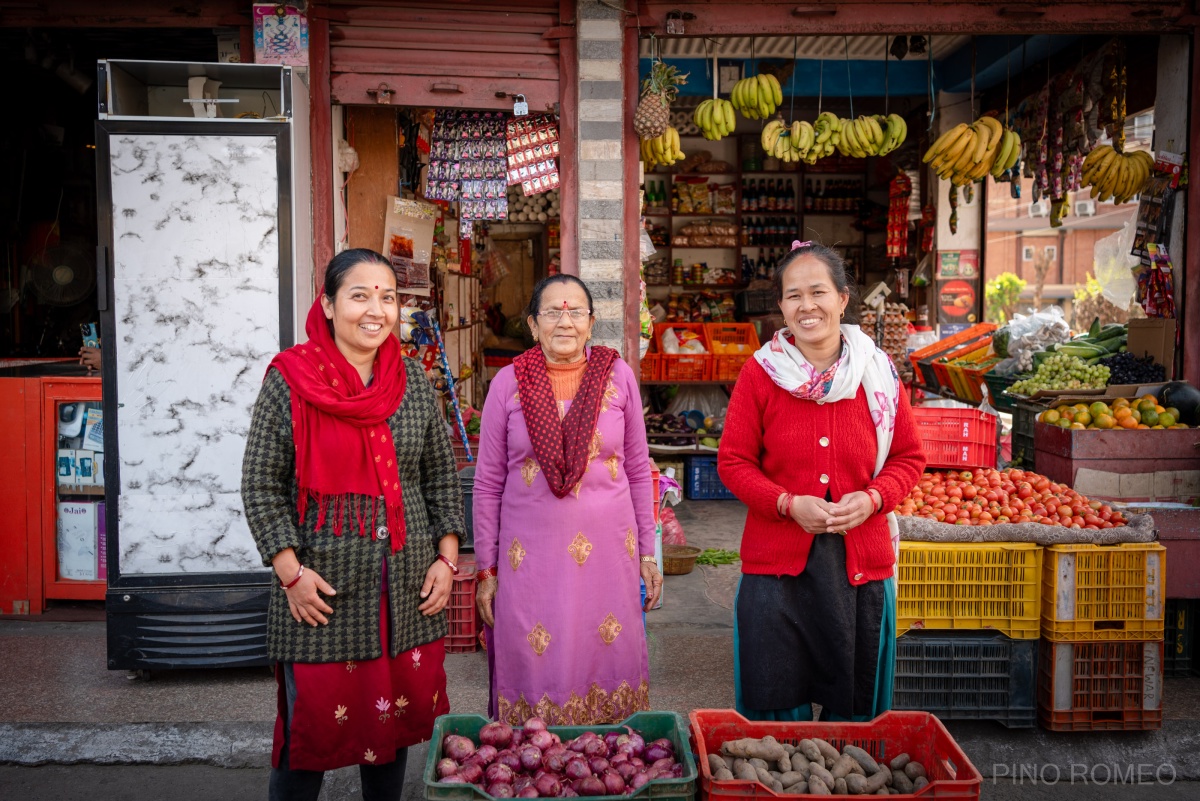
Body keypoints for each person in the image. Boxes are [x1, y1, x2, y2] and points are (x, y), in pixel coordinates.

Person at [241, 248, 464, 801]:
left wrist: (447, 557)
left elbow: (441, 475)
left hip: (407, 587)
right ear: (328, 303)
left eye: (387, 297)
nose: (376, 310)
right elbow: (261, 485)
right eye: (359, 295)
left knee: (389, 738)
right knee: (308, 740)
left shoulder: (412, 379)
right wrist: (291, 573)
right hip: (321, 592)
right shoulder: (291, 379)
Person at [717, 241, 925, 723]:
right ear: (782, 307)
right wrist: (788, 503)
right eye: (793, 296)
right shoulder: (761, 373)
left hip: (859, 565)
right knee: (774, 703)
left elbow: (909, 457)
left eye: (818, 292)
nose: (806, 306)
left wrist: (874, 498)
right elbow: (733, 462)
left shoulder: (878, 372)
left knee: (854, 711)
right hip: (776, 566)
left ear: (843, 299)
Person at [473, 274, 661, 726]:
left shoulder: (618, 377)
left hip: (609, 557)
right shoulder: (507, 384)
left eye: (576, 311)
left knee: (605, 651)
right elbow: (487, 482)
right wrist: (487, 568)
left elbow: (638, 470)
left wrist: (648, 553)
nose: (565, 321)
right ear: (533, 325)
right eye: (552, 312)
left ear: (592, 323)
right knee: (534, 657)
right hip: (529, 562)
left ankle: (607, 761)